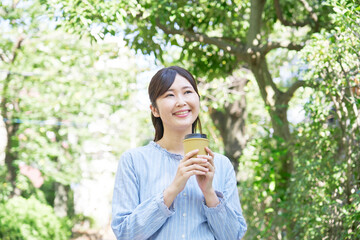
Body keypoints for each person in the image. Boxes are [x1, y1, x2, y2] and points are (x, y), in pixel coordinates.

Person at [111, 66, 247, 239]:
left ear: (197, 100)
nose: (181, 101)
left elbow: (234, 236)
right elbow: (124, 234)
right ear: (154, 110)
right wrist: (173, 189)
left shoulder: (221, 164)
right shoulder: (133, 161)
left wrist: (209, 193)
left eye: (187, 92)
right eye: (169, 95)